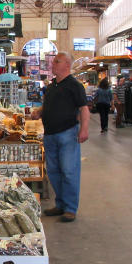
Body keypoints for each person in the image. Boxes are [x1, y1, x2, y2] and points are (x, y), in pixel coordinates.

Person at [30, 52, 89, 221]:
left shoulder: (74, 85)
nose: (53, 64)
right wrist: (39, 112)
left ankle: (70, 208)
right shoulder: (51, 86)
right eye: (54, 61)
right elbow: (49, 105)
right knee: (54, 171)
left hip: (67, 134)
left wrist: (84, 129)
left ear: (67, 65)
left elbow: (84, 108)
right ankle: (61, 204)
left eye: (57, 61)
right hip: (50, 135)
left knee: (69, 171)